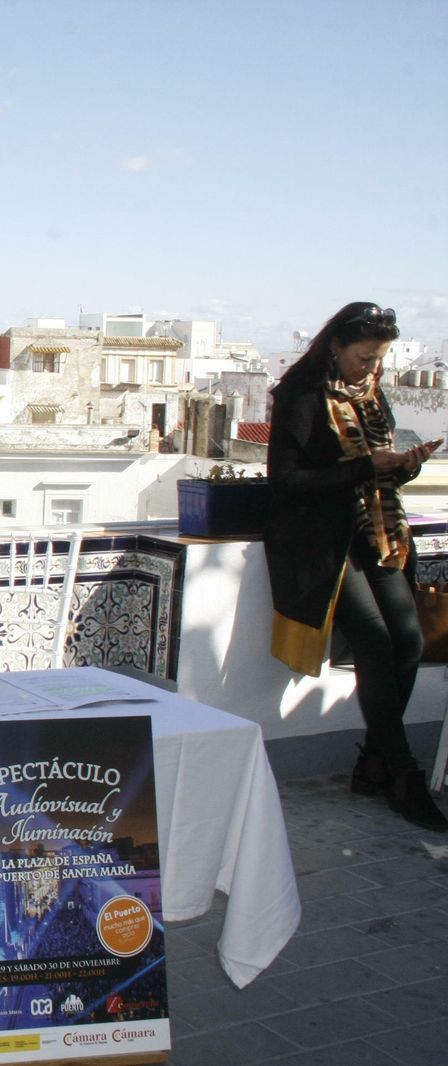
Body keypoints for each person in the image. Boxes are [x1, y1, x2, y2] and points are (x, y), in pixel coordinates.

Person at [264, 301, 446, 830]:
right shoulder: (301, 396)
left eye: (379, 358)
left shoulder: (371, 395)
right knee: (375, 640)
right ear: (335, 347)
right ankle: (402, 774)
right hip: (323, 542)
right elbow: (286, 481)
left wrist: (404, 466)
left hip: (376, 532)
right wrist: (366, 466)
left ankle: (375, 763)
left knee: (408, 639)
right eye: (364, 357)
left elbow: (380, 470)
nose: (372, 367)